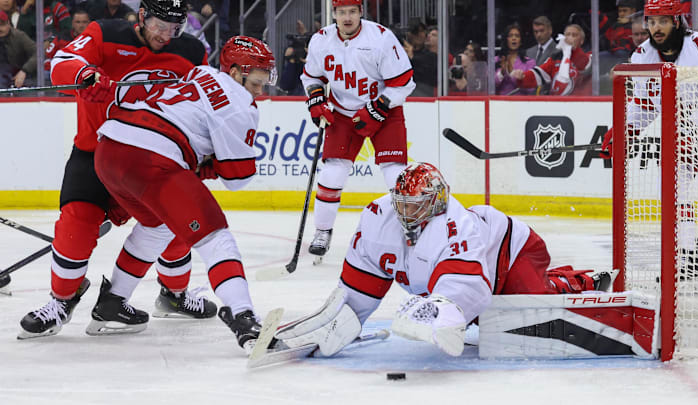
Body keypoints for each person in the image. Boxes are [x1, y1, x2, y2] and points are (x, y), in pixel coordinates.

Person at [273, 163, 614, 357]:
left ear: (436, 201)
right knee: (492, 326)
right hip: (479, 269)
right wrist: (326, 327)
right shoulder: (377, 217)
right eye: (402, 202)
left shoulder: (456, 225)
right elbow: (357, 292)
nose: (406, 210)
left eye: (415, 203)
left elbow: (472, 292)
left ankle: (572, 282)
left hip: (512, 252)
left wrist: (441, 309)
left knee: (525, 318)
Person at [18, 0, 212, 339]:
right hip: (95, 153)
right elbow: (63, 62)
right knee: (75, 226)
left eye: (174, 28)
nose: (166, 36)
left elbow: (204, 102)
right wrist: (86, 75)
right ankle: (62, 301)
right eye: (158, 26)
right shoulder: (106, 34)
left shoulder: (192, 52)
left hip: (153, 160)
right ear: (141, 17)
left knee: (175, 226)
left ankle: (174, 295)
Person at [90, 36, 277, 348]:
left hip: (109, 148)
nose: (259, 92)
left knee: (157, 227)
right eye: (256, 83)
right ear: (234, 73)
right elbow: (237, 177)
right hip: (152, 158)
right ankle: (244, 318)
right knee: (216, 237)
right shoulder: (240, 106)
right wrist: (207, 167)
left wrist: (196, 162)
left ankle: (113, 301)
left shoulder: (200, 73)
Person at [600, 0, 698, 279]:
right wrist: (621, 132)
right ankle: (687, 257)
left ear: (677, 21)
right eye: (651, 22)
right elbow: (645, 104)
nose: (655, 28)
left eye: (662, 21)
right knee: (671, 184)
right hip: (684, 133)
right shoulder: (642, 55)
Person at [301, 0, 416, 261]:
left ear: (361, 12)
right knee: (332, 174)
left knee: (394, 173)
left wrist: (378, 109)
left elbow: (404, 82)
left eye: (352, 12)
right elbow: (311, 77)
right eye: (342, 13)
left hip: (385, 112)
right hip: (342, 113)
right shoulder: (321, 41)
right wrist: (317, 100)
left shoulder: (381, 38)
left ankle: (410, 227)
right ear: (334, 14)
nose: (347, 18)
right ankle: (322, 231)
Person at [510, 24, 592, 96]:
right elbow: (539, 74)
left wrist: (573, 50)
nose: (569, 38)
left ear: (581, 41)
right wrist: (522, 76)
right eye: (567, 35)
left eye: (574, 35)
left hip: (580, 106)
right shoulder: (555, 58)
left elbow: (584, 66)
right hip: (556, 106)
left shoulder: (589, 56)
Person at [494, 23, 536, 95]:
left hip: (520, 103)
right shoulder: (496, 60)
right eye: (510, 36)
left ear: (520, 41)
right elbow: (490, 85)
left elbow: (531, 89)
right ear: (506, 40)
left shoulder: (530, 62)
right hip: (500, 103)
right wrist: (502, 73)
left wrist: (512, 73)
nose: (514, 38)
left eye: (517, 36)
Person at [0, 9, 35, 89]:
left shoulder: (19, 36)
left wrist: (24, 71)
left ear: (8, 24)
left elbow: (38, 53)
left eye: (2, 25)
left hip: (19, 74)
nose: (0, 28)